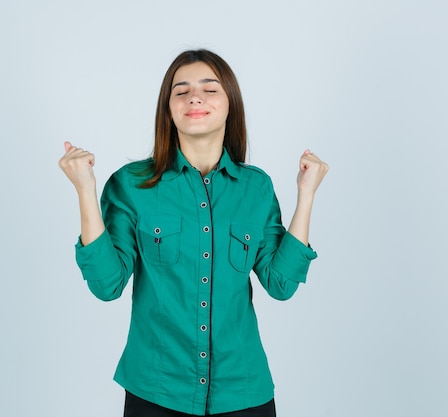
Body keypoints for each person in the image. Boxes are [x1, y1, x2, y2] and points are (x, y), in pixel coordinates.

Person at [58, 49, 329, 417]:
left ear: (230, 103)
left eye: (209, 88)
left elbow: (281, 285)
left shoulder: (256, 188)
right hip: (156, 391)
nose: (194, 97)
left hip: (243, 392)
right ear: (168, 109)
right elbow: (107, 285)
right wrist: (85, 191)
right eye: (180, 90)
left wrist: (306, 194)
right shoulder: (130, 185)